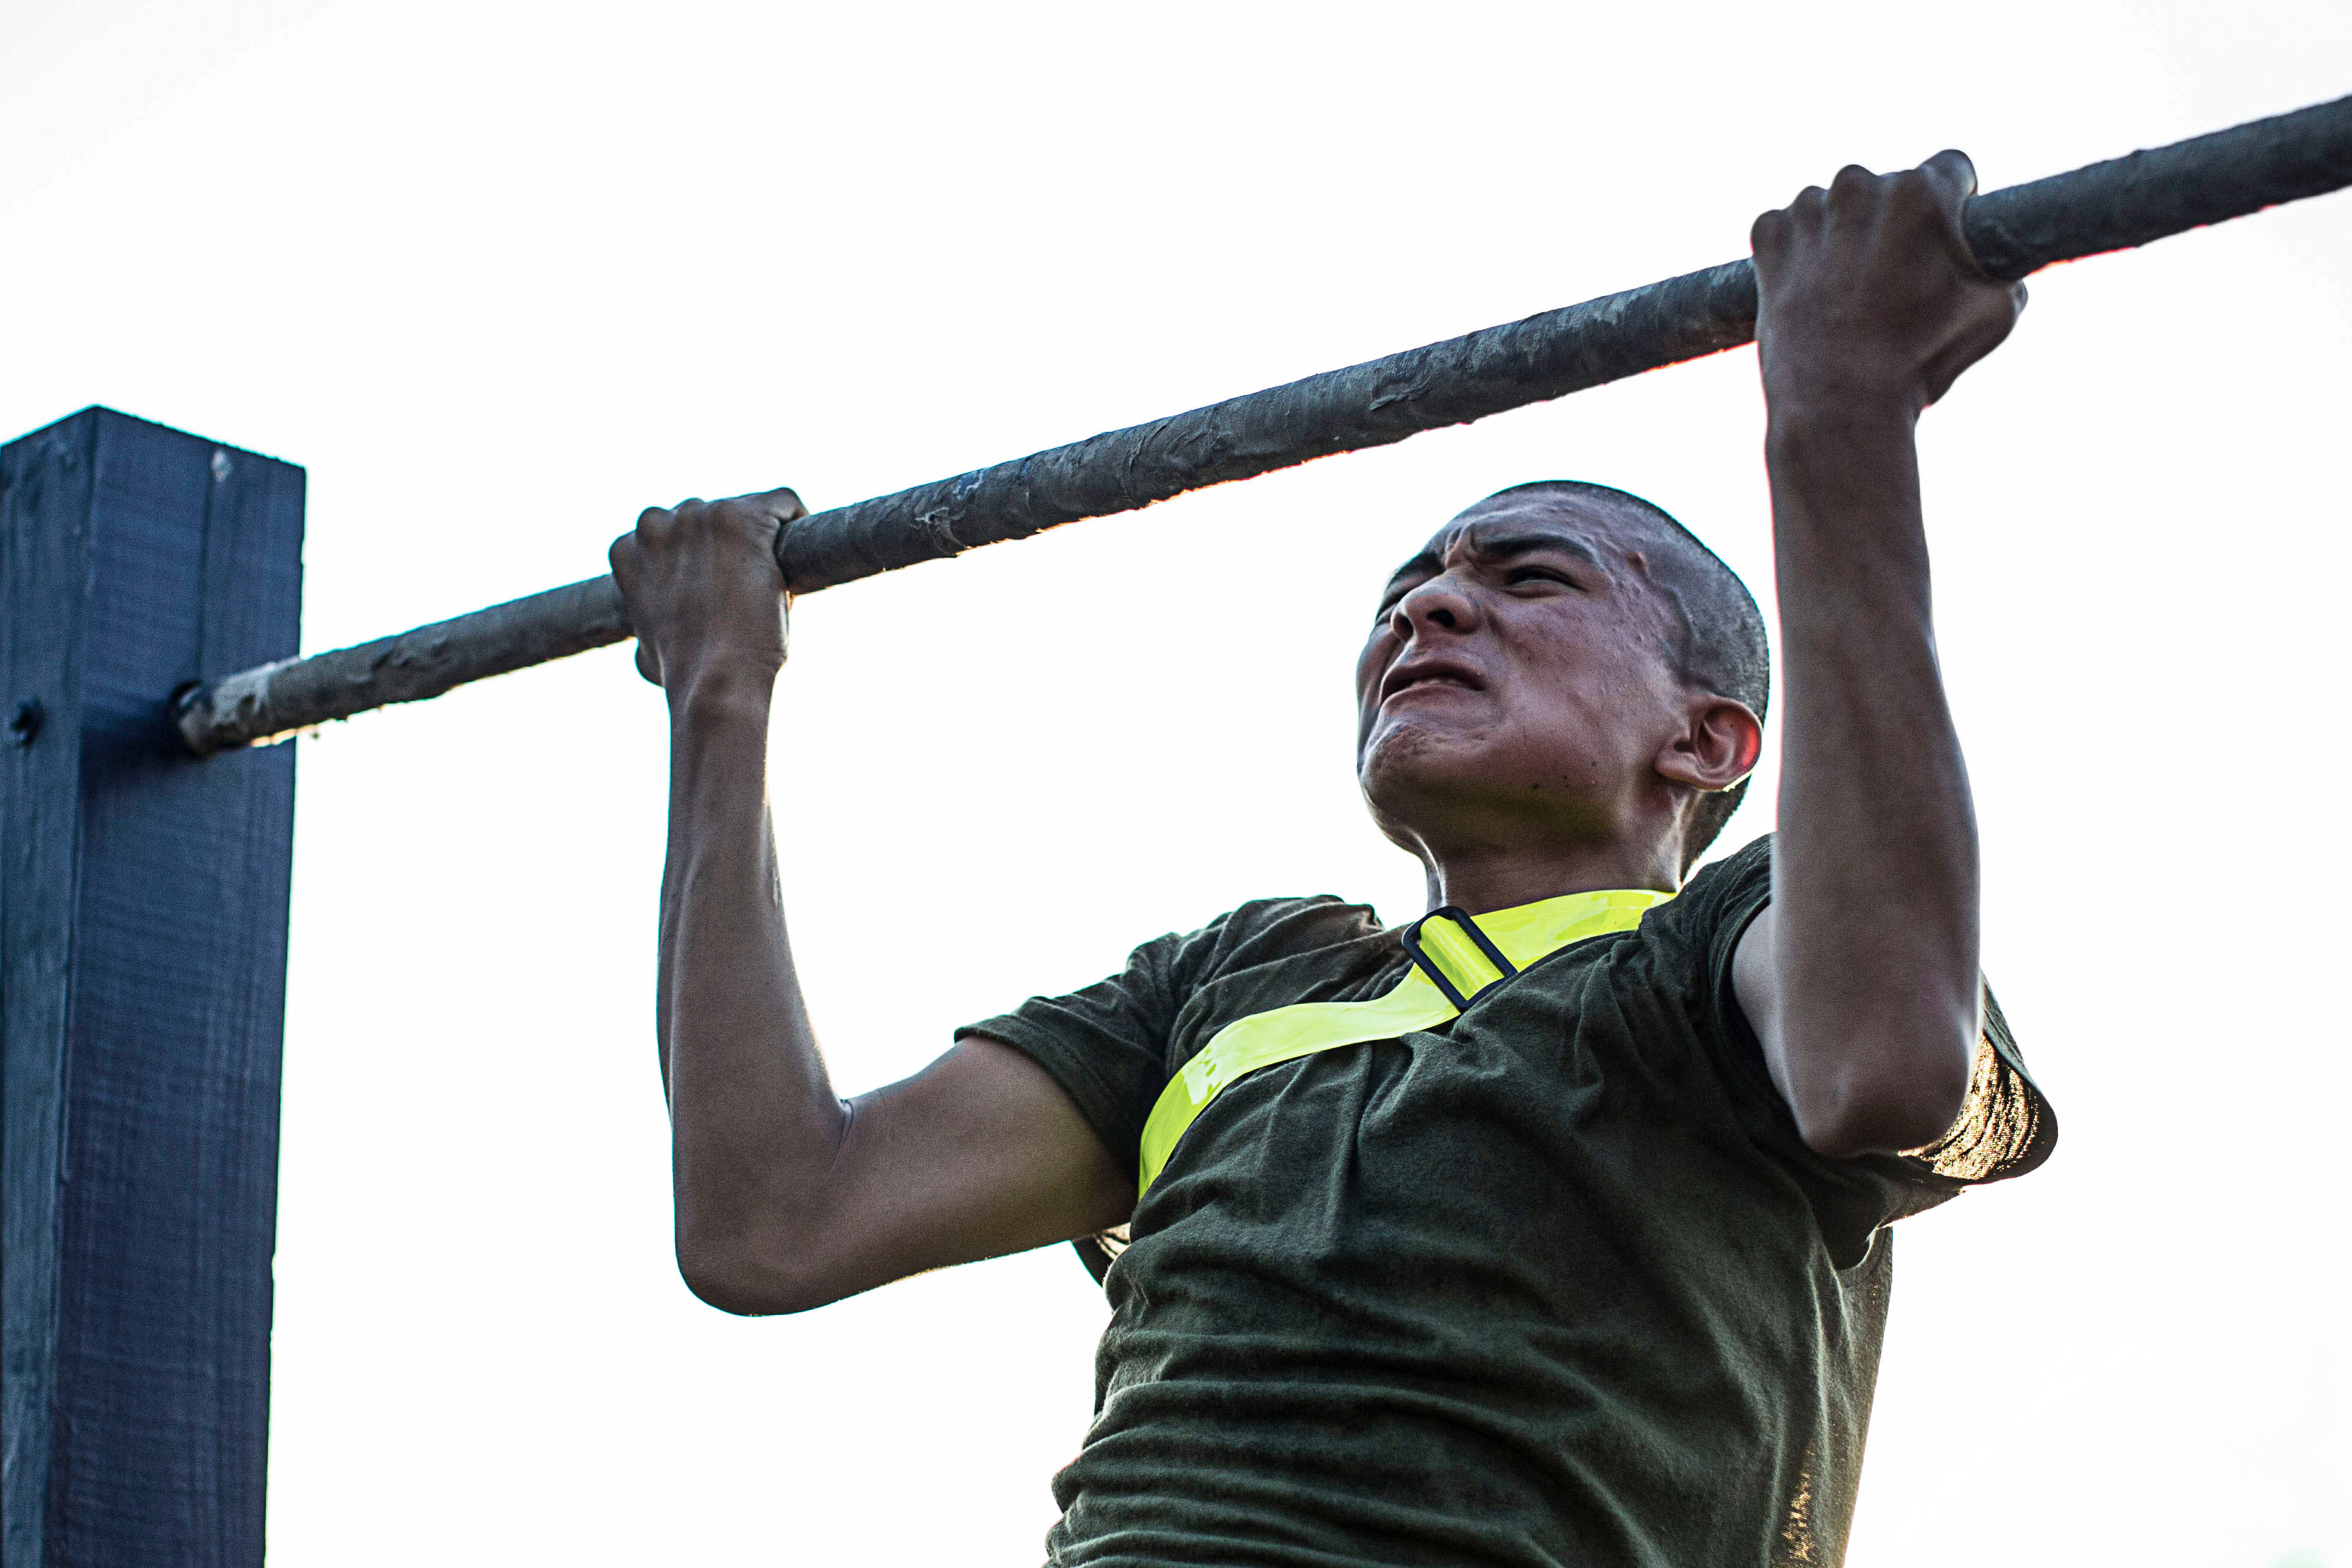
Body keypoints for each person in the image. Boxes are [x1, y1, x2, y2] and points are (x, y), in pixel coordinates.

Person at [608, 150, 2057, 1567]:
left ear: (1705, 741)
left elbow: (1880, 1065)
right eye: (1406, 592)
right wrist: (718, 699)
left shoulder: (1721, 951)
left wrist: (1837, 421)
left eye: (1526, 577)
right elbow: (771, 1221)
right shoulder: (1239, 980)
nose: (1425, 609)